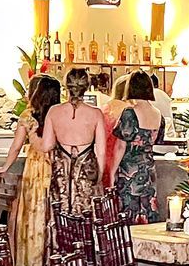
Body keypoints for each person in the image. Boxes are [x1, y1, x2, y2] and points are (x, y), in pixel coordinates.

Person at [3, 74, 60, 266]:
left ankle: (30, 264)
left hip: (35, 167)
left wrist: (5, 167)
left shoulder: (28, 116)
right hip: (55, 166)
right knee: (51, 213)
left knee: (32, 214)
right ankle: (51, 262)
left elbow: (16, 147)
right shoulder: (59, 113)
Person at [42, 67, 109, 220]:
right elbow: (101, 151)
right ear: (86, 86)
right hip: (87, 171)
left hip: (60, 173)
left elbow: (47, 145)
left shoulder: (53, 111)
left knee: (60, 217)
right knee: (87, 218)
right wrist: (99, 177)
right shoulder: (96, 113)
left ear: (67, 86)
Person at [106, 70, 167, 223]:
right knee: (148, 207)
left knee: (129, 210)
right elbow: (158, 140)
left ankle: (130, 244)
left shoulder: (129, 113)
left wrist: (112, 172)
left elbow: (120, 146)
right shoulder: (158, 114)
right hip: (149, 169)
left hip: (129, 170)